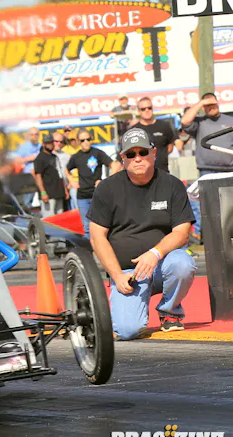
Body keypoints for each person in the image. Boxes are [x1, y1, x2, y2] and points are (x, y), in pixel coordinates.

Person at [87, 127, 197, 339]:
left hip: (161, 266)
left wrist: (155, 253)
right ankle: (132, 301)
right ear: (123, 158)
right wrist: (117, 275)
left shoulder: (172, 185)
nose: (137, 158)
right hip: (128, 274)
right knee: (127, 331)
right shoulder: (107, 189)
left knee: (183, 263)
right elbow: (96, 237)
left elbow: (182, 232)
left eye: (143, 152)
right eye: (131, 154)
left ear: (153, 153)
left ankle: (169, 311)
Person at [180, 93, 233, 243]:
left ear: (218, 103)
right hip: (206, 171)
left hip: (229, 171)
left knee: (229, 208)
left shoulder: (230, 120)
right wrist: (200, 103)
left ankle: (229, 238)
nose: (211, 107)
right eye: (207, 105)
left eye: (213, 104)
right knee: (208, 208)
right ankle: (208, 240)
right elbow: (184, 121)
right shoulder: (199, 122)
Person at [65, 129, 121, 238]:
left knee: (103, 225)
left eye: (88, 139)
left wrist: (106, 182)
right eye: (82, 140)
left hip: (98, 195)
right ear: (78, 141)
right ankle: (89, 248)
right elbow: (67, 170)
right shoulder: (76, 156)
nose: (86, 142)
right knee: (87, 228)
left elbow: (114, 165)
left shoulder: (98, 153)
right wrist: (72, 181)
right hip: (82, 196)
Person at [135, 97, 177, 173]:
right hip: (142, 173)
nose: (147, 110)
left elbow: (170, 145)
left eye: (149, 108)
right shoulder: (134, 130)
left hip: (162, 171)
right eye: (143, 109)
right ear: (138, 111)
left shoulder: (164, 126)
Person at [33, 134, 68, 217]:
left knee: (60, 218)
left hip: (59, 192)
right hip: (48, 194)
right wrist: (43, 192)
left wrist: (65, 190)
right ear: (43, 144)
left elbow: (60, 174)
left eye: (52, 142)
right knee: (49, 219)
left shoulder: (55, 156)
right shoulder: (39, 158)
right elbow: (38, 176)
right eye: (48, 143)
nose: (50, 145)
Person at [9, 127, 40, 207]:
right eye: (32, 134)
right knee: (27, 200)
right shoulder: (24, 147)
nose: (34, 136)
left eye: (36, 134)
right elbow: (17, 160)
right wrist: (30, 158)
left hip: (39, 176)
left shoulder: (41, 146)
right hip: (28, 177)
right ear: (29, 135)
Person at [62, 129, 81, 209]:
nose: (72, 141)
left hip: (82, 179)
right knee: (74, 204)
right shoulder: (65, 150)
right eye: (70, 140)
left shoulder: (81, 148)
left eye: (74, 139)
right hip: (71, 180)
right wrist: (69, 183)